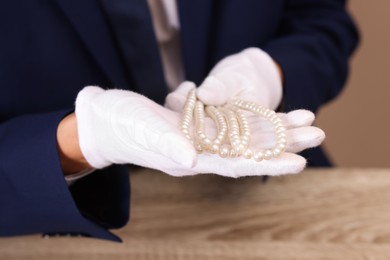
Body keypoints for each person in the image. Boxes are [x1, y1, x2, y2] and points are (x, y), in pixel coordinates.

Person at [0, 0, 359, 241]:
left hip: (274, 203)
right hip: (56, 227)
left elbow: (321, 17)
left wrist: (269, 70)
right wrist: (84, 137)